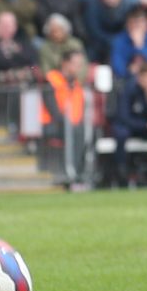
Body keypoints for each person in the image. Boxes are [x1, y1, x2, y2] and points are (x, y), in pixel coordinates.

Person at [39, 50, 88, 189]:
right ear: (65, 63)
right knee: (77, 133)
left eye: (80, 65)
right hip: (50, 125)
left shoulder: (76, 84)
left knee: (89, 133)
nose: (78, 68)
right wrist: (68, 122)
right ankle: (73, 174)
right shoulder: (51, 79)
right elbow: (52, 109)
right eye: (75, 64)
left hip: (72, 125)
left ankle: (81, 173)